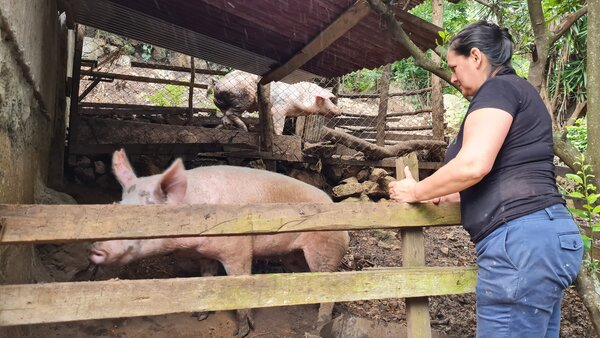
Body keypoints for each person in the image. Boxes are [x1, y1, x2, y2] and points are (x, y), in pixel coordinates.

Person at [388, 21, 584, 337]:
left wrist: (417, 191)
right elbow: (501, 174)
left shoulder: (498, 89)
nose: (451, 76)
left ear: (476, 57)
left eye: (455, 66)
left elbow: (474, 165)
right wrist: (443, 193)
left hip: (520, 243)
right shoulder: (520, 92)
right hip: (548, 238)